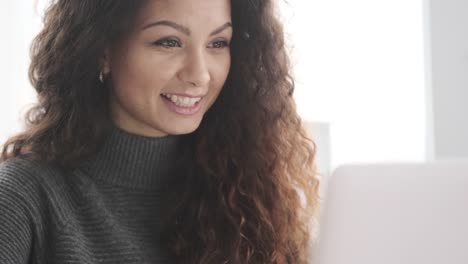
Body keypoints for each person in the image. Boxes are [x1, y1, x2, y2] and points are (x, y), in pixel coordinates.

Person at [0, 0, 320, 263]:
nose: (200, 75)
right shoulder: (22, 198)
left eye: (218, 43)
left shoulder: (251, 198)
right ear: (102, 50)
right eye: (169, 42)